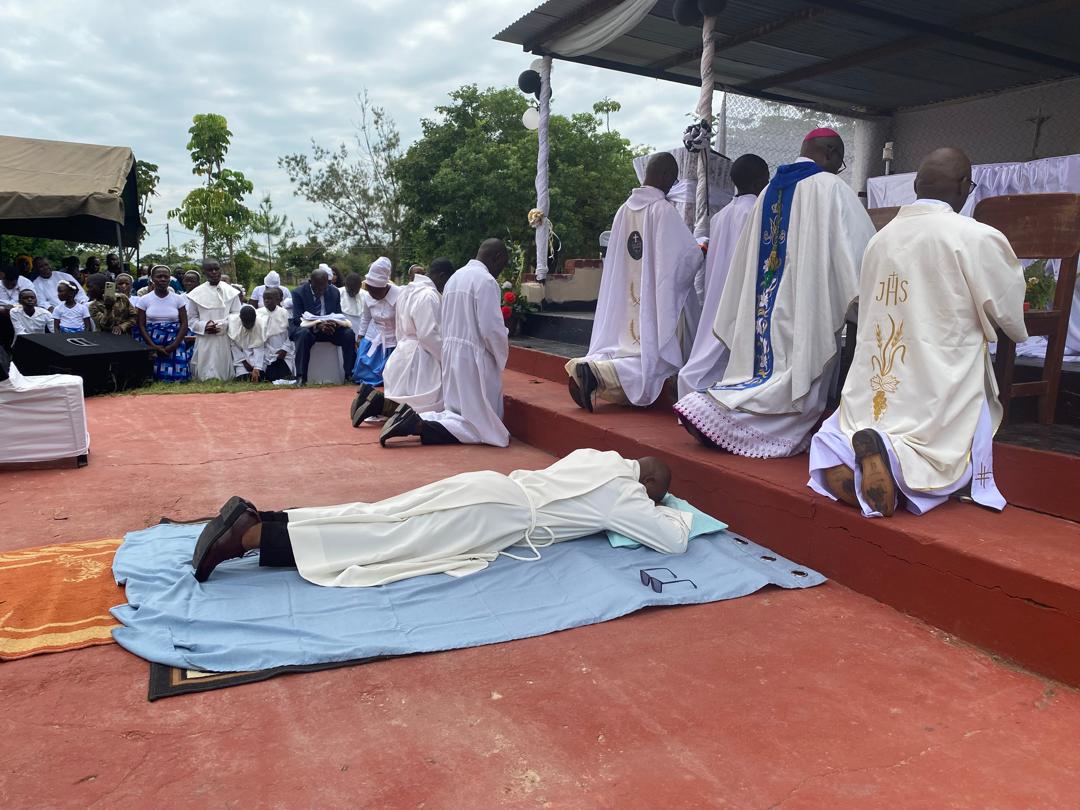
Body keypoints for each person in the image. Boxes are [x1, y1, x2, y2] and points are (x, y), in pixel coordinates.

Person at [808, 148, 1028, 517]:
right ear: (964, 187)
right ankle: (895, 463)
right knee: (938, 445)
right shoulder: (976, 237)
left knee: (846, 426)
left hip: (877, 379)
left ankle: (852, 459)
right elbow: (1007, 314)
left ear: (914, 185)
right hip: (938, 378)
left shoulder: (880, 240)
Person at [191, 448, 689, 584]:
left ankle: (266, 519)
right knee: (388, 544)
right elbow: (672, 543)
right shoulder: (626, 496)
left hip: (490, 485)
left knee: (379, 514)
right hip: (499, 516)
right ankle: (252, 537)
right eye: (655, 496)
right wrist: (672, 514)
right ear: (648, 487)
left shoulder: (595, 455)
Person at [674, 128, 876, 458]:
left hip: (762, 306)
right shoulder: (832, 188)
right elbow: (862, 254)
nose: (839, 168)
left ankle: (720, 409)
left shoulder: (769, 191)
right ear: (830, 153)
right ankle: (749, 429)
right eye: (840, 160)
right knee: (796, 380)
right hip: (807, 307)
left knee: (760, 372)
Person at [566, 152, 704, 411]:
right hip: (652, 302)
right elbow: (685, 259)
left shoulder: (623, 210)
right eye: (672, 181)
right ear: (664, 176)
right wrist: (701, 250)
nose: (671, 186)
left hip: (625, 301)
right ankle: (595, 373)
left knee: (623, 346)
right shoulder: (663, 210)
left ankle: (594, 367)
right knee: (654, 359)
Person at [379, 239, 510, 447]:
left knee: (455, 411)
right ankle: (417, 424)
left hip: (452, 354)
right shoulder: (485, 281)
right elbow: (490, 328)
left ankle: (420, 418)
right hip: (475, 358)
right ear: (497, 257)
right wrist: (501, 354)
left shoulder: (455, 278)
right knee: (480, 426)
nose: (500, 271)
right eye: (503, 264)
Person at [678, 154, 771, 398]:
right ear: (760, 180)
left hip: (717, 288)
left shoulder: (720, 216)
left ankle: (695, 388)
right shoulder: (758, 212)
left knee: (712, 343)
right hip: (742, 289)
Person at [353, 258, 456, 425]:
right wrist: (446, 359)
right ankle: (379, 406)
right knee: (428, 407)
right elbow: (428, 335)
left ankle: (377, 404)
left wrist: (403, 348)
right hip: (422, 354)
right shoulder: (428, 295)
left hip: (402, 351)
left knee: (406, 398)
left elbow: (399, 329)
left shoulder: (407, 291)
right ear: (443, 276)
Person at [290, 265, 356, 385]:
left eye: (324, 288)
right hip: (310, 330)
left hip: (330, 329)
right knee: (302, 334)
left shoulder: (334, 292)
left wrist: (334, 323)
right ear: (310, 282)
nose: (321, 292)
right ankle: (301, 377)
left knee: (349, 334)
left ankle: (349, 374)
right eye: (318, 289)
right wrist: (318, 325)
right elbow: (297, 319)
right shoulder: (298, 293)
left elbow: (338, 314)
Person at [184, 259, 241, 381]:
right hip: (205, 337)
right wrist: (204, 326)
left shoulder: (231, 292)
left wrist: (223, 325)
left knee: (223, 364)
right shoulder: (196, 293)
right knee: (205, 364)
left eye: (217, 269)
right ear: (204, 272)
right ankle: (204, 378)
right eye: (210, 270)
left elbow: (237, 314)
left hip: (224, 336)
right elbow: (192, 318)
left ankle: (225, 378)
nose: (214, 272)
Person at [134, 265, 191, 382]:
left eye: (166, 276)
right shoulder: (144, 300)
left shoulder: (178, 299)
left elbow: (184, 323)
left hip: (175, 339)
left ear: (170, 279)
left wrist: (174, 345)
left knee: (179, 374)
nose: (163, 279)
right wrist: (153, 346)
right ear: (152, 279)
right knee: (153, 373)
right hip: (152, 340)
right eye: (159, 276)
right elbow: (141, 325)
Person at [352, 257, 401, 386]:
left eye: (374, 291)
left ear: (384, 288)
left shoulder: (400, 295)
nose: (371, 293)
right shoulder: (368, 297)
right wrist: (360, 336)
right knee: (363, 364)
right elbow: (366, 318)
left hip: (394, 338)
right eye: (369, 289)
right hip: (374, 335)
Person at [259, 287, 295, 381]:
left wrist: (284, 349)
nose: (266, 301)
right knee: (268, 377)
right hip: (266, 352)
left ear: (277, 300)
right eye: (265, 298)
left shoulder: (284, 313)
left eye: (270, 298)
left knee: (283, 377)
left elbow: (290, 335)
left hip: (283, 352)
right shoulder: (259, 313)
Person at [228, 305, 267, 382]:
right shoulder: (233, 325)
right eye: (246, 324)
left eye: (251, 323)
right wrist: (244, 362)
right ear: (240, 318)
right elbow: (234, 346)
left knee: (260, 377)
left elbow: (259, 348)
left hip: (257, 360)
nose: (249, 326)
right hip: (241, 361)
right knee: (243, 378)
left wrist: (256, 367)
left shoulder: (261, 325)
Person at [339, 272, 365, 339]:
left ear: (360, 286)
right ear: (345, 285)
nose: (353, 293)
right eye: (350, 290)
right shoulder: (338, 293)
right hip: (345, 333)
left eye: (355, 291)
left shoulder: (366, 295)